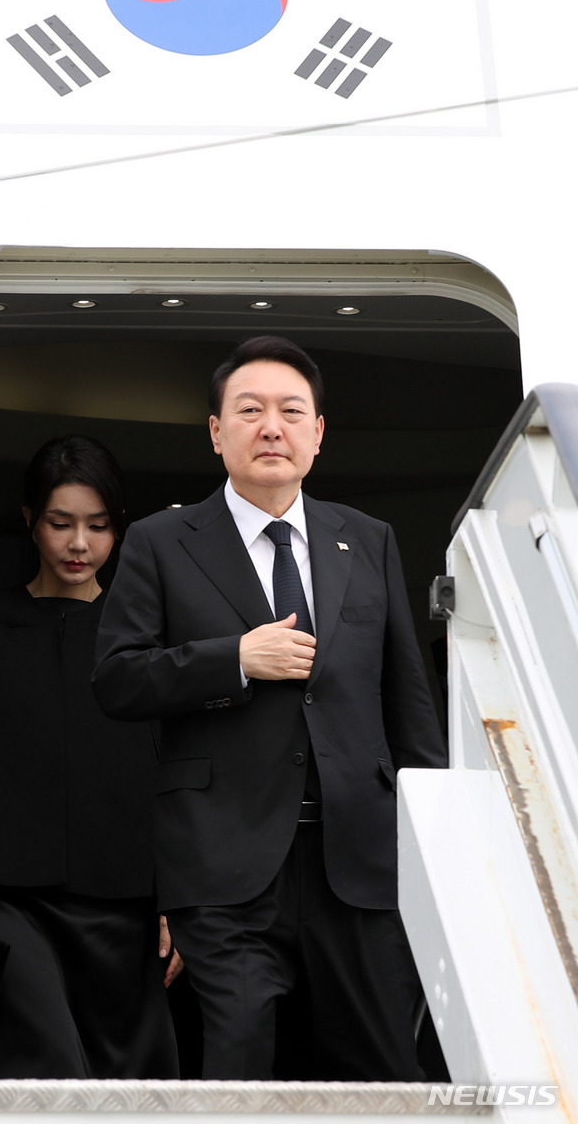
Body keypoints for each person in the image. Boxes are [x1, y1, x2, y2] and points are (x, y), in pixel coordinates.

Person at [92, 336, 447, 1081]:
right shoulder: (162, 541)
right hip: (224, 861)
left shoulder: (367, 539)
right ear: (216, 432)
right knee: (240, 1061)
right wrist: (234, 659)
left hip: (359, 858)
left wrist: (441, 841)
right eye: (249, 411)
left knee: (383, 1068)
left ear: (318, 432)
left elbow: (406, 701)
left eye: (291, 412)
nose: (271, 428)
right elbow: (117, 680)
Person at [0, 436, 180, 1079]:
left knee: (130, 1087)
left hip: (126, 900)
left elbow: (182, 770)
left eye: (98, 525)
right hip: (4, 895)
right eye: (60, 523)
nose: (79, 544)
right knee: (44, 1069)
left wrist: (181, 896)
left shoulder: (152, 640)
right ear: (29, 520)